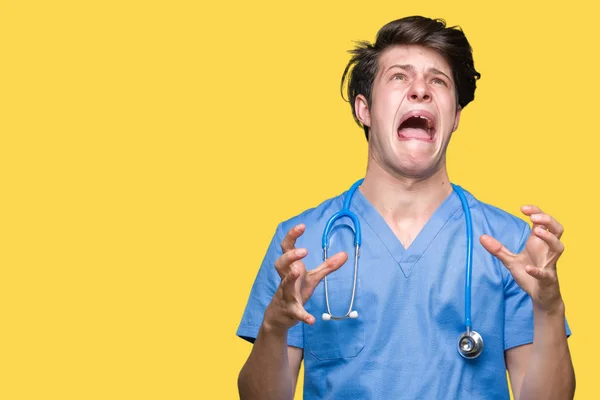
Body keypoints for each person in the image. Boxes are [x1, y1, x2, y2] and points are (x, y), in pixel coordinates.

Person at [236, 15, 575, 400]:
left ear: (456, 117)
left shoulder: (512, 245)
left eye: (438, 81)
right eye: (399, 77)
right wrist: (274, 326)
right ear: (363, 109)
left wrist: (549, 310)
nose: (420, 91)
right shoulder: (301, 244)